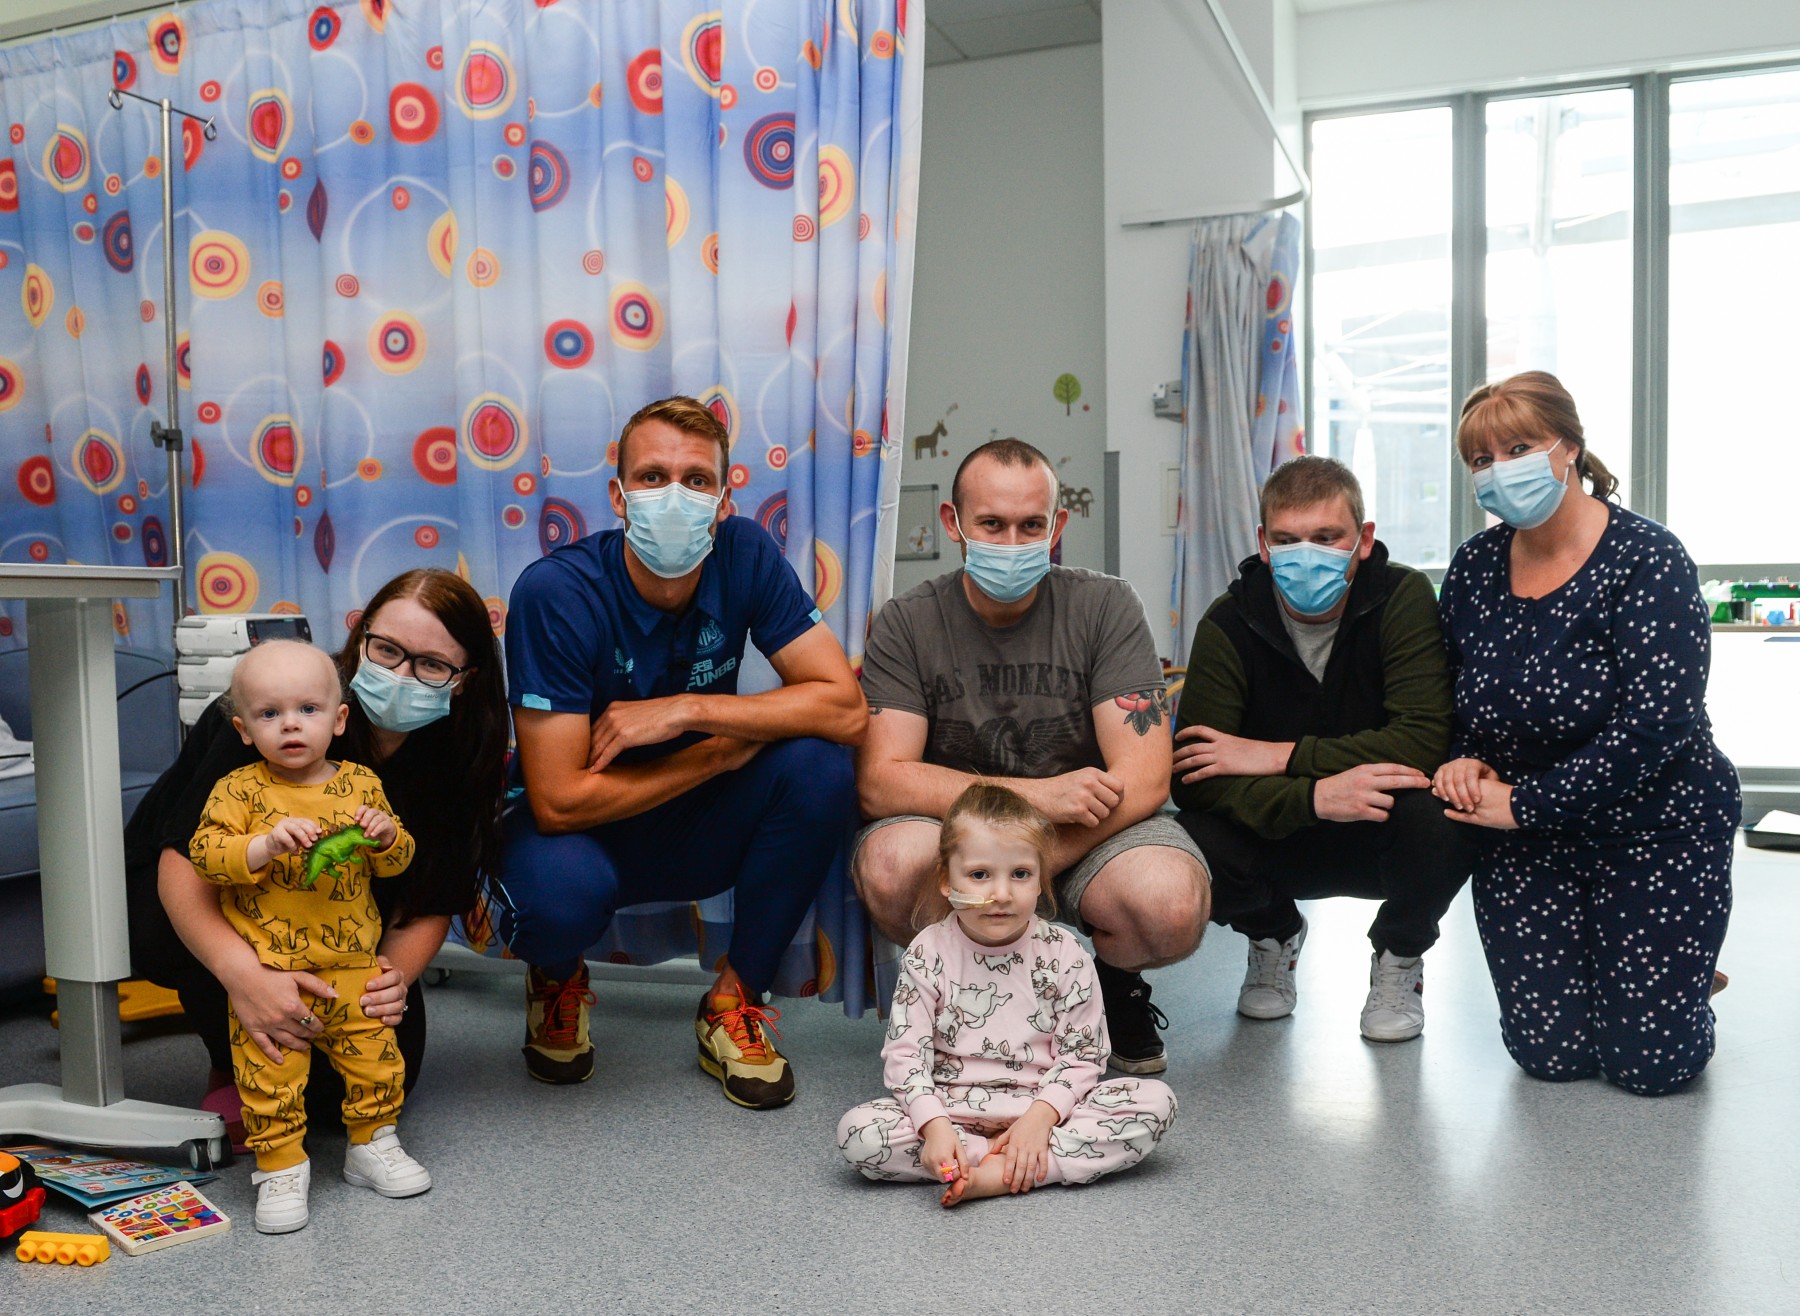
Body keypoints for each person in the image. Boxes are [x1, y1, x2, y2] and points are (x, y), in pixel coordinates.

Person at [493, 396, 864, 1109]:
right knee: (553, 899)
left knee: (820, 764)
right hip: (582, 833)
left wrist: (689, 710)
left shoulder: (745, 552)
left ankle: (733, 1001)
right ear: (618, 495)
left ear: (725, 499)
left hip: (690, 822)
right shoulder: (557, 593)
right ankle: (556, 977)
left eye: (697, 480)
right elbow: (559, 799)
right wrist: (716, 755)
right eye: (653, 475)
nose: (675, 495)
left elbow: (843, 707)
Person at [854, 437, 1209, 1074]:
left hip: (1089, 829)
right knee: (891, 863)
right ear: (953, 523)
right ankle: (961, 998)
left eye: (1030, 526)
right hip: (967, 836)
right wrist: (1028, 809)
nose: (1012, 542)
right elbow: (882, 782)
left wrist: (1025, 866)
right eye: (991, 524)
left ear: (1058, 526)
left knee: (1169, 904)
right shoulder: (907, 621)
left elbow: (1146, 777)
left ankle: (1111, 984)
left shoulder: (1106, 606)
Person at [126, 569, 509, 1146]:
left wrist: (392, 977)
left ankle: (276, 1025)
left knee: (353, 1096)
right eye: (386, 651)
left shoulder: (457, 755)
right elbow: (185, 864)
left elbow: (436, 892)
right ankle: (227, 1052)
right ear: (360, 638)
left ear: (462, 680)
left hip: (340, 929)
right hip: (216, 898)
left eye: (431, 665)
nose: (402, 674)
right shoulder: (279, 713)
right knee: (182, 943)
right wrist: (245, 977)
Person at [1434, 371, 1738, 1095]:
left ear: (1567, 447)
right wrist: (1463, 760)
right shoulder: (1474, 568)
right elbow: (1446, 695)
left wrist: (1522, 804)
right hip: (1528, 841)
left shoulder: (1648, 558)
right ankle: (1652, 971)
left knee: (1651, 1068)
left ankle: (1679, 979)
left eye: (1518, 447)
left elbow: (1656, 725)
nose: (1500, 469)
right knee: (1550, 1058)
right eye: (1481, 459)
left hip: (1654, 823)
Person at [1170, 456, 1476, 1042]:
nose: (1304, 554)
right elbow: (1195, 775)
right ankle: (1274, 932)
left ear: (1362, 539)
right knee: (1188, 836)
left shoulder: (1403, 596)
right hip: (1279, 835)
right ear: (1262, 542)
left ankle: (1399, 957)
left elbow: (1422, 740)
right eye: (1286, 539)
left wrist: (1280, 756)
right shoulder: (1229, 621)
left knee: (1445, 815)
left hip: (1379, 826)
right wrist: (1314, 797)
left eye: (1325, 537)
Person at [838, 783, 1177, 1205]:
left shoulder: (1065, 955)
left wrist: (1039, 1120)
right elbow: (906, 1056)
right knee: (858, 1133)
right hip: (954, 1113)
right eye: (980, 875)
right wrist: (935, 1128)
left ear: (1040, 879)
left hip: (1047, 1114)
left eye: (1020, 874)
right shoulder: (928, 951)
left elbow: (1083, 1057)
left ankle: (999, 1171)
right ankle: (1008, 1163)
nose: (1000, 894)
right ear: (947, 880)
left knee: (1155, 1102)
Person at [189, 640, 427, 1233]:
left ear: (339, 719)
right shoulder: (239, 790)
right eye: (270, 714)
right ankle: (280, 1165)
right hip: (273, 976)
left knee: (378, 1064)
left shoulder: (362, 784)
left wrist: (384, 837)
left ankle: (372, 1144)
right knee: (271, 1075)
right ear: (245, 731)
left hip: (355, 968)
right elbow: (206, 854)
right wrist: (263, 845)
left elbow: (400, 862)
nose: (290, 724)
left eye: (308, 710)